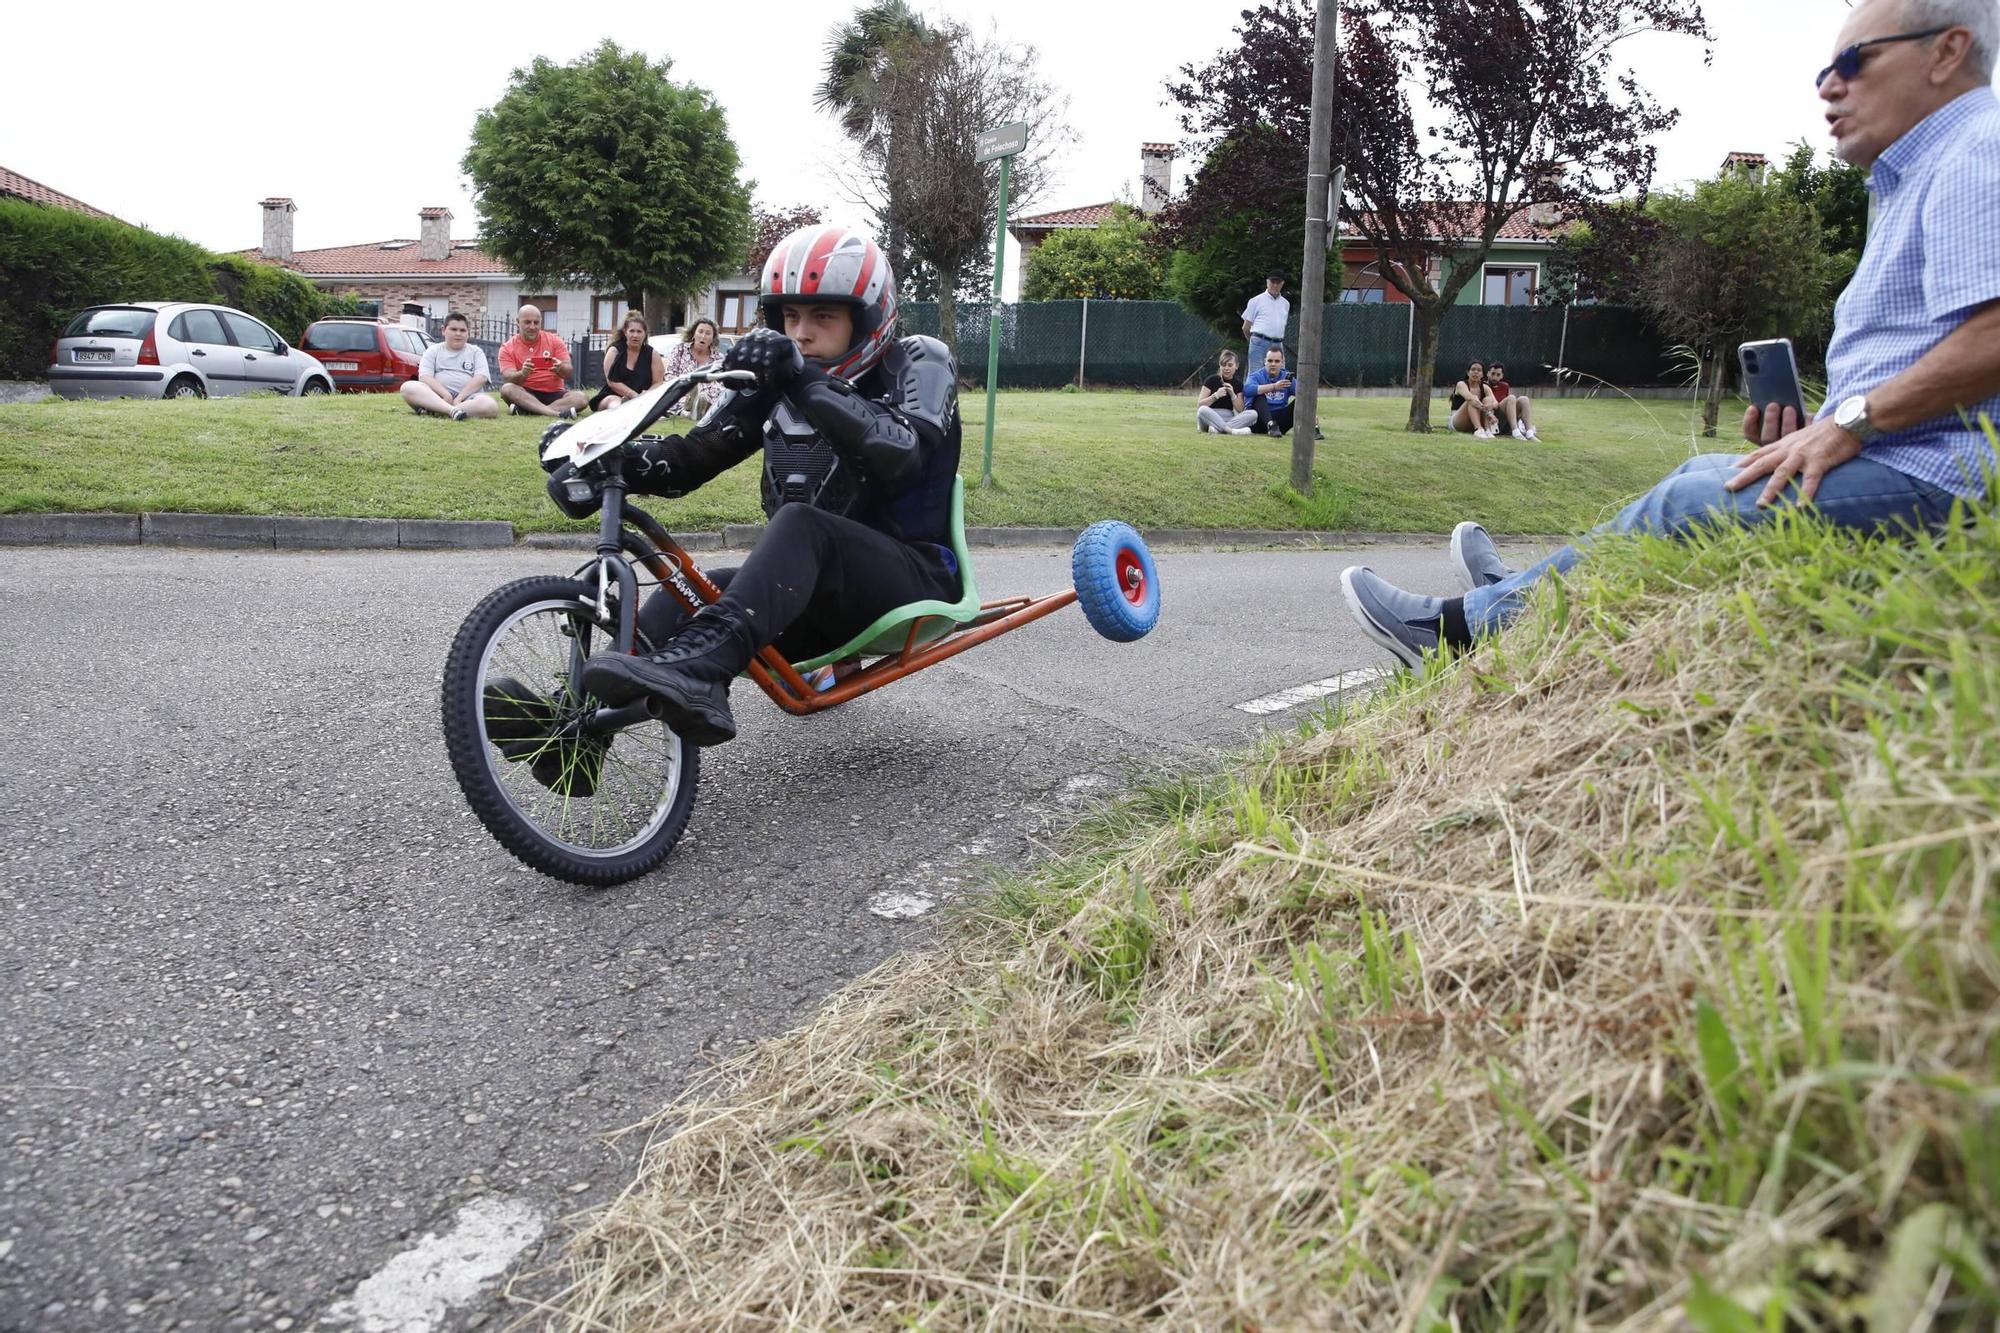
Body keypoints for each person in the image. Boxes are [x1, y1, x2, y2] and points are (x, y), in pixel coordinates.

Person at [1338, 0, 2000, 670]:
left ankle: (1463, 633)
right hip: (1910, 461)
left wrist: (1851, 422)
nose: (1830, 84)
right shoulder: (1923, 172)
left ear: (1946, 52)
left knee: (1688, 499)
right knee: (1700, 475)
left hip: (1950, 484)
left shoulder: (1977, 151)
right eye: (1827, 67)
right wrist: (1815, 430)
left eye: (1856, 61)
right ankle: (1515, 597)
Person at [493, 224, 962, 758]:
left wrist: (802, 380)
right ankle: (572, 736)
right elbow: (695, 457)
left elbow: (902, 454)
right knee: (700, 588)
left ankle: (701, 672)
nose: (800, 333)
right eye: (789, 317)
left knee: (801, 523)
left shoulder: (919, 358)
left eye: (823, 316)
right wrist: (600, 452)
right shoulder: (784, 378)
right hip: (812, 604)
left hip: (914, 582)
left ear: (869, 317)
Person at [400, 312, 498, 419]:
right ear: (443, 330)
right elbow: (425, 377)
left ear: (468, 333)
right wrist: (446, 395)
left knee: (490, 405)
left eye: (462, 330)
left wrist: (460, 398)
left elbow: (481, 377)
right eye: (454, 329)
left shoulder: (476, 352)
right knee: (408, 387)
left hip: (467, 399)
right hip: (437, 397)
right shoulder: (433, 351)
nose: (458, 334)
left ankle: (441, 410)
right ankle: (450, 410)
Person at [497, 305, 588, 419]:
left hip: (555, 393)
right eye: (527, 322)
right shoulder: (507, 347)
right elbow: (508, 377)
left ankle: (530, 410)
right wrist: (523, 373)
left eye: (536, 323)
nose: (532, 327)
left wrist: (560, 368)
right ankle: (555, 413)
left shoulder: (554, 340)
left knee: (581, 398)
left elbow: (568, 371)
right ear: (518, 322)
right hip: (525, 393)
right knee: (507, 389)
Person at [591, 312, 664, 414]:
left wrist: (647, 395)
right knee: (613, 400)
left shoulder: (653, 354)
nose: (635, 335)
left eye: (639, 331)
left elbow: (658, 382)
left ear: (645, 333)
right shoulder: (614, 351)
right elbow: (612, 382)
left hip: (643, 399)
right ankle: (622, 411)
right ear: (625, 332)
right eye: (632, 331)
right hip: (612, 396)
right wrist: (633, 395)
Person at [665, 318, 725, 419]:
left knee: (712, 393)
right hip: (683, 391)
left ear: (713, 338)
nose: (703, 336)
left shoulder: (719, 358)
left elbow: (723, 383)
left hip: (709, 396)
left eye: (708, 333)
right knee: (682, 393)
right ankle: (688, 409)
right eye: (700, 332)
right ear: (694, 333)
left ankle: (699, 408)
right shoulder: (680, 350)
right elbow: (670, 374)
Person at [1197, 350, 1256, 435]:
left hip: (1228, 418)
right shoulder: (1211, 380)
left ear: (1237, 366)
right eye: (1223, 365)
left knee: (1253, 414)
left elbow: (1240, 409)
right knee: (1202, 410)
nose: (1226, 368)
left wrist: (1232, 395)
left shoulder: (1238, 384)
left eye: (1230, 365)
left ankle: (1218, 429)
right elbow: (1200, 405)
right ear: (1220, 366)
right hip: (1209, 417)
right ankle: (1230, 431)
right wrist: (1215, 396)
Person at [1241, 271, 1291, 371]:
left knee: (1280, 374)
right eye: (1272, 282)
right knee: (1256, 374)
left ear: (1282, 284)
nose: (1275, 285)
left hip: (1278, 343)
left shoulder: (1285, 304)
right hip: (1259, 342)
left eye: (1278, 282)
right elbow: (1246, 327)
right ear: (1267, 282)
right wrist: (1254, 341)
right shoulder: (1256, 301)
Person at [1244, 346, 1298, 437]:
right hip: (1260, 421)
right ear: (1265, 361)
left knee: (1303, 401)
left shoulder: (1287, 378)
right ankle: (1271, 425)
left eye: (1277, 361)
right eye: (1270, 361)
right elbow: (1247, 390)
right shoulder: (1256, 376)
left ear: (1282, 362)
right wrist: (1274, 387)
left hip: (1280, 422)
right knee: (1259, 396)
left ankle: (1312, 429)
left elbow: (1305, 396)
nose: (1273, 364)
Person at [1448, 362, 1502, 438]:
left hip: (1475, 419)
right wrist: (1489, 414)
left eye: (1479, 370)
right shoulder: (1461, 384)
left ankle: (1488, 430)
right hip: (1458, 421)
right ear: (1468, 373)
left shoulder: (1485, 387)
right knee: (1472, 400)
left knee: (1488, 399)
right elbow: (1471, 399)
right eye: (1473, 369)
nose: (1476, 372)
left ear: (1483, 374)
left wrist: (1490, 406)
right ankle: (1479, 429)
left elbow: (1496, 403)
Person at [1486, 360, 1538, 439]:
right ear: (1488, 373)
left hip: (1506, 416)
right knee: (1511, 398)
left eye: (1498, 374)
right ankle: (1515, 431)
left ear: (1502, 376)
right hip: (1494, 416)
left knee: (1524, 399)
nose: (1495, 377)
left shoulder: (1504, 386)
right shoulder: (1484, 385)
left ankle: (1529, 432)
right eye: (1492, 374)